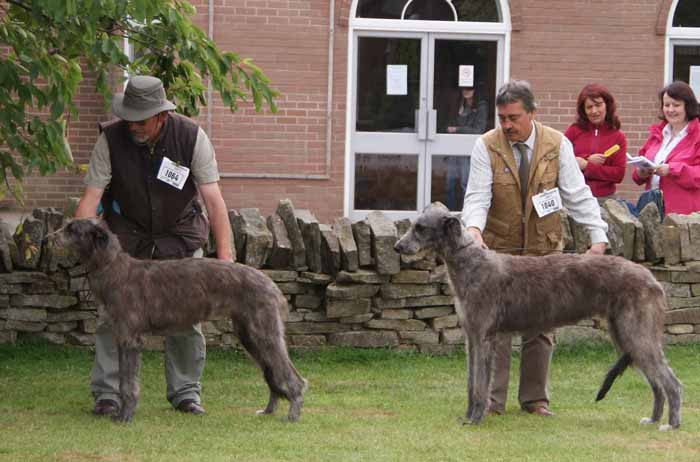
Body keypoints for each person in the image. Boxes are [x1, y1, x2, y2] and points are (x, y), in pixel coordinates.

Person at [75, 75, 234, 417]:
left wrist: (226, 260)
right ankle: (108, 395)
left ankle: (185, 393)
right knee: (111, 318)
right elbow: (90, 200)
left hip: (179, 237)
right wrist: (84, 250)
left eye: (141, 119)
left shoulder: (192, 138)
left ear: (161, 115)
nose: (134, 125)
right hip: (127, 241)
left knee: (186, 319)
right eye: (129, 117)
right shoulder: (110, 140)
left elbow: (214, 200)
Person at [462, 80, 608, 417]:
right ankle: (491, 401)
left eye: (513, 117)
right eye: (502, 118)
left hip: (545, 250)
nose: (507, 125)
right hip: (499, 252)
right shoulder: (485, 145)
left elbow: (576, 193)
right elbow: (477, 195)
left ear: (532, 112)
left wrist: (597, 235)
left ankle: (535, 400)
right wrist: (473, 228)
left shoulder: (558, 144)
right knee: (494, 327)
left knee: (542, 326)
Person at [632, 81, 700, 215]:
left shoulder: (698, 135)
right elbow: (638, 172)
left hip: (683, 215)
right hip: (651, 210)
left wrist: (672, 170)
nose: (670, 110)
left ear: (688, 106)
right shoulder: (657, 134)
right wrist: (641, 172)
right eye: (666, 105)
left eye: (676, 105)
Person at [564, 84, 626, 200]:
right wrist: (585, 158)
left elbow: (618, 174)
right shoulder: (573, 131)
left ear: (607, 105)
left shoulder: (618, 137)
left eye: (598, 105)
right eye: (589, 107)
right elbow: (560, 159)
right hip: (575, 198)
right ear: (583, 110)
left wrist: (587, 166)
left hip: (605, 199)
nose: (594, 111)